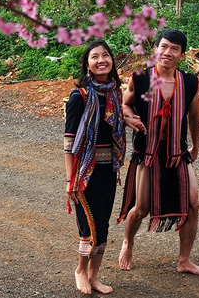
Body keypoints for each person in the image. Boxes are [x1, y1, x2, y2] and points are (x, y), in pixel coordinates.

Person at [117, 28, 199, 276]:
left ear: (182, 54)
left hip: (177, 151)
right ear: (156, 49)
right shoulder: (140, 78)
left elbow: (195, 116)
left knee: (193, 204)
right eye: (164, 46)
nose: (168, 52)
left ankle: (184, 260)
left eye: (174, 49)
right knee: (142, 207)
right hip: (148, 151)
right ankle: (129, 242)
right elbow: (125, 104)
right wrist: (129, 118)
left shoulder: (189, 82)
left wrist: (196, 147)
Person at [64, 40, 127, 294]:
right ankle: (80, 270)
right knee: (89, 227)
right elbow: (69, 143)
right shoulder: (79, 96)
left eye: (105, 55)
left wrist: (131, 119)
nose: (101, 60)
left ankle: (94, 276)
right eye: (94, 56)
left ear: (112, 60)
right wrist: (70, 180)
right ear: (87, 64)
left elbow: (116, 120)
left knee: (103, 225)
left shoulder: (114, 93)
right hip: (84, 173)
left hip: (108, 170)